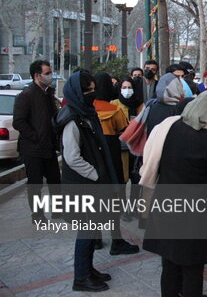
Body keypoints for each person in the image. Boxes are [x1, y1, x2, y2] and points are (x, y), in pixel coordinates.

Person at [142, 91, 207, 297]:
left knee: (169, 263)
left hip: (165, 203)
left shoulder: (171, 127)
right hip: (193, 212)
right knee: (192, 268)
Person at [54, 71, 117, 292]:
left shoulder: (84, 113)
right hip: (83, 186)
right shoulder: (71, 119)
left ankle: (88, 270)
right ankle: (81, 277)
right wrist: (96, 174)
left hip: (90, 185)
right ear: (76, 92)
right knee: (86, 231)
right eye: (87, 90)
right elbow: (71, 157)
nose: (92, 93)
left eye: (92, 89)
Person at [93, 73, 140, 255]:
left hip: (94, 157)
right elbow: (124, 130)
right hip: (112, 157)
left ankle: (96, 238)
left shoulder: (87, 109)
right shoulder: (113, 109)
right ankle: (116, 240)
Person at [13, 60, 61, 224]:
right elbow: (18, 122)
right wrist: (35, 137)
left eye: (50, 73)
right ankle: (38, 215)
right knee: (35, 184)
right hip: (32, 149)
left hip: (49, 147)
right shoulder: (26, 95)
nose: (50, 76)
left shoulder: (48, 94)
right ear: (37, 75)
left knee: (55, 180)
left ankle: (58, 211)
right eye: (47, 73)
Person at [111, 77, 145, 220]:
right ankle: (123, 209)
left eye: (129, 87)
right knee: (123, 179)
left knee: (136, 178)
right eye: (124, 87)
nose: (127, 90)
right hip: (121, 148)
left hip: (137, 147)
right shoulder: (114, 104)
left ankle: (134, 207)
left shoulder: (140, 105)